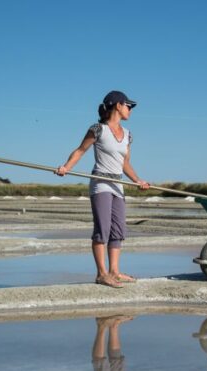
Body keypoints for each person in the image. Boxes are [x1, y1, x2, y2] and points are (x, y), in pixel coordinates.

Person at [55, 91, 150, 288]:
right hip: (100, 183)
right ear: (118, 105)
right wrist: (66, 167)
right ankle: (101, 273)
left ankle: (114, 272)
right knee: (103, 229)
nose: (130, 110)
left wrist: (138, 180)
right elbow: (81, 150)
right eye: (128, 106)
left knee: (118, 230)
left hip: (118, 184)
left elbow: (125, 163)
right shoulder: (98, 129)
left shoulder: (128, 135)